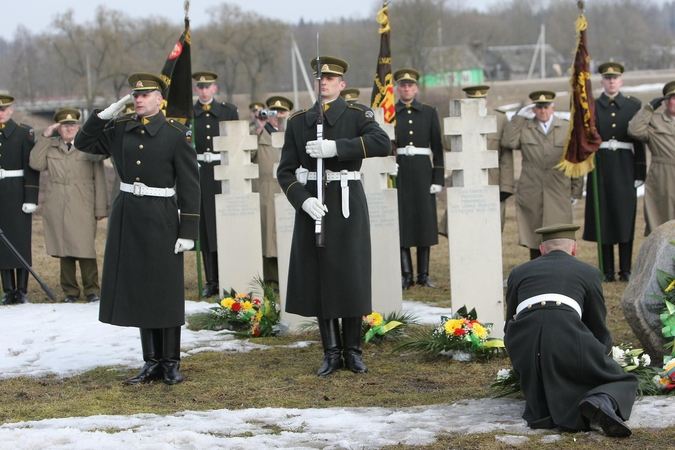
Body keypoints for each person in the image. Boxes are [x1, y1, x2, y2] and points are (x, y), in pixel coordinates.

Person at [74, 72, 200, 385]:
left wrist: (189, 231)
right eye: (135, 95)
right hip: (128, 214)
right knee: (142, 289)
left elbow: (190, 185)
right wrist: (105, 115)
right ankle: (151, 362)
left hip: (162, 217)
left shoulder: (175, 134)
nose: (138, 99)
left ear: (160, 99)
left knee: (165, 291)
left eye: (145, 95)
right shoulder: (119, 128)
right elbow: (82, 142)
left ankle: (170, 362)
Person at [277, 55, 390, 376]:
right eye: (319, 78)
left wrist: (336, 148)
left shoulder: (356, 114)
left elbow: (382, 142)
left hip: (347, 201)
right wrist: (302, 200)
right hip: (315, 202)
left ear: (341, 85)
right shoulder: (299, 121)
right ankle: (330, 351)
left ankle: (353, 351)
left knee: (350, 274)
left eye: (330, 79)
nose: (323, 82)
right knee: (320, 275)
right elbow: (285, 172)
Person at [504, 224, 637, 437]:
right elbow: (597, 327)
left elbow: (509, 321)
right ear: (574, 249)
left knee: (548, 372)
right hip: (565, 335)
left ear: (542, 250)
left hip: (524, 344)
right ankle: (599, 400)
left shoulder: (518, 272)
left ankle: (553, 399)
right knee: (624, 380)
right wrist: (604, 360)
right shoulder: (589, 272)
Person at [29, 107, 108, 303]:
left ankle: (92, 289)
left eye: (72, 125)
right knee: (64, 247)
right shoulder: (52, 146)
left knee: (85, 247)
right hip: (58, 204)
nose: (69, 129)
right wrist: (46, 136)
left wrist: (101, 208)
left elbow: (99, 178)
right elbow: (35, 163)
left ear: (79, 126)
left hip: (83, 202)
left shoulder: (88, 146)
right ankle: (70, 291)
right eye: (64, 126)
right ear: (58, 128)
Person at [501, 90, 583, 260]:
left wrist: (576, 190)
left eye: (546, 107)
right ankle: (536, 265)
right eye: (538, 107)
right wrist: (518, 117)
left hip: (559, 184)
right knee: (534, 230)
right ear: (533, 109)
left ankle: (562, 266)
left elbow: (575, 160)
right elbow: (508, 142)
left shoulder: (566, 127)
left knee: (560, 232)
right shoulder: (525, 126)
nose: (543, 111)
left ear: (552, 108)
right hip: (532, 184)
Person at [583, 62, 645, 282]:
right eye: (607, 78)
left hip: (625, 166)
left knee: (624, 217)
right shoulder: (591, 106)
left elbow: (639, 142)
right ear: (602, 81)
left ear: (621, 81)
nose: (611, 81)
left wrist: (640, 172)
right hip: (600, 165)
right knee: (604, 217)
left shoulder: (633, 106)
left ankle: (625, 269)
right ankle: (606, 269)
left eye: (615, 78)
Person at [438, 85, 514, 236]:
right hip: (466, 180)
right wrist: (455, 119)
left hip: (492, 180)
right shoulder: (459, 118)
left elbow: (506, 156)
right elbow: (447, 145)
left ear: (486, 101)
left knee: (491, 228)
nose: (477, 104)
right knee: (464, 228)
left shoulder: (500, 119)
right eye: (473, 100)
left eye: (481, 100)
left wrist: (505, 187)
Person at [393, 68, 444, 289]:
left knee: (424, 223)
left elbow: (438, 148)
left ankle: (424, 275)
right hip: (400, 171)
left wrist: (438, 177)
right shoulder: (390, 112)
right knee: (403, 223)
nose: (406, 89)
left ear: (416, 88)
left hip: (423, 172)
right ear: (397, 88)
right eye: (402, 85)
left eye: (410, 85)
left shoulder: (429, 112)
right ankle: (407, 274)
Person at [192, 70, 239, 298]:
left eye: (207, 86)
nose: (203, 90)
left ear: (214, 88)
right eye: (199, 87)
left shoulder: (228, 112)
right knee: (207, 230)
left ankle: (229, 275)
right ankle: (212, 280)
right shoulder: (190, 115)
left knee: (226, 226)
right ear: (196, 90)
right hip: (201, 174)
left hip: (224, 173)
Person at [0, 94, 39, 305]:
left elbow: (31, 169)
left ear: (11, 110)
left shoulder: (25, 133)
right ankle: (8, 290)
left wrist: (31, 197)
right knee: (2, 242)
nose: (0, 113)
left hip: (17, 193)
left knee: (21, 241)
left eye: (3, 109)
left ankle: (22, 289)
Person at [252, 95, 293, 287]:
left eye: (283, 112)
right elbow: (246, 154)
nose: (278, 116)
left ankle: (290, 276)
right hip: (267, 190)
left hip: (289, 189)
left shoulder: (293, 134)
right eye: (274, 112)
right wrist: (258, 129)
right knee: (267, 236)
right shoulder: (261, 134)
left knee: (288, 233)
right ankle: (271, 280)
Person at [628, 80, 675, 236]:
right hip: (663, 174)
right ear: (666, 101)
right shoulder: (655, 120)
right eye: (672, 98)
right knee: (662, 221)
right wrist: (648, 109)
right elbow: (634, 130)